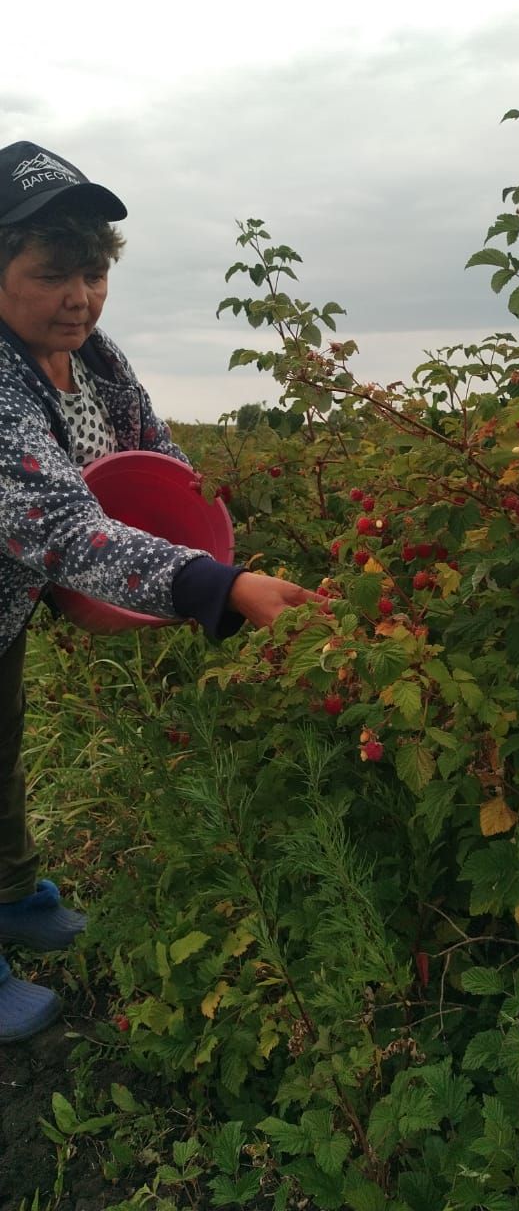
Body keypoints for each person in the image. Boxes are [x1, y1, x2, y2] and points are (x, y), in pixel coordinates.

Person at [0, 141, 323, 1044]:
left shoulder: (92, 355)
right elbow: (61, 527)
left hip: (7, 599)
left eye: (94, 272)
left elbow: (156, 455)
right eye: (52, 273)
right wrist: (211, 586)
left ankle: (14, 897)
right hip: (20, 566)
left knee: (1, 742)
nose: (80, 296)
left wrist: (208, 539)